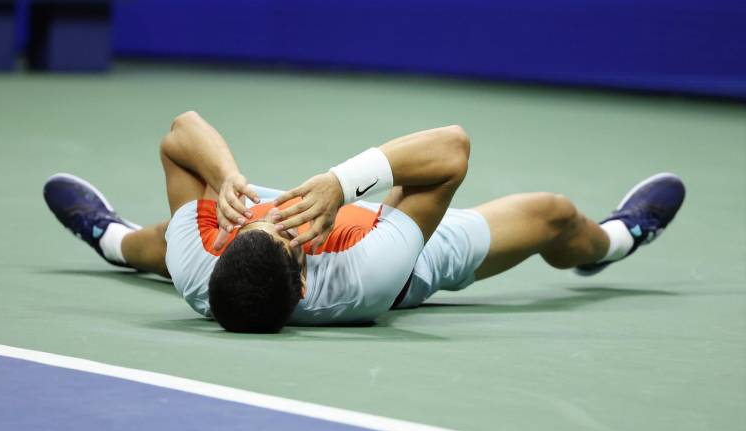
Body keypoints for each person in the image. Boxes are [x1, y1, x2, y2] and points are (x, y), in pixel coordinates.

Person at [43, 111, 685, 333]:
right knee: (553, 215)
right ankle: (614, 240)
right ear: (303, 280)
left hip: (244, 242)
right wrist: (343, 184)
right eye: (288, 237)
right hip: (402, 250)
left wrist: (230, 179)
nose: (282, 222)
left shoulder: (198, 263)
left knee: (163, 240)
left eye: (256, 226)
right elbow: (450, 153)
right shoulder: (369, 274)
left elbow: (181, 133)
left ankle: (111, 237)